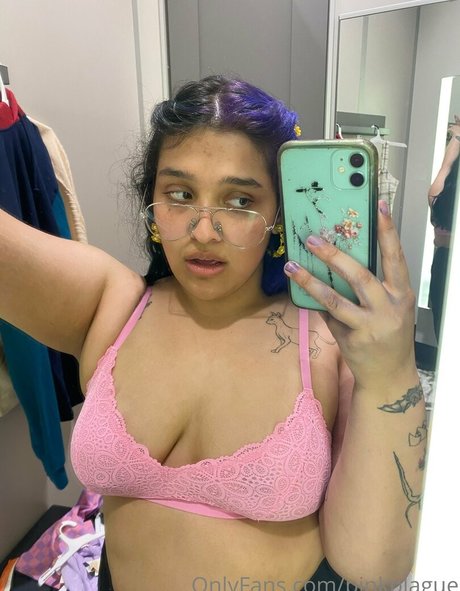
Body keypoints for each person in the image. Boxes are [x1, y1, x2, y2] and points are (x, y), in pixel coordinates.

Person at [0, 75, 425, 591]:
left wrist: (390, 375)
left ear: (278, 213)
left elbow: (373, 568)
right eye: (180, 194)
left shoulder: (333, 344)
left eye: (240, 201)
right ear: (151, 201)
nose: (203, 231)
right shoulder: (111, 304)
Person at [428, 116, 460, 342]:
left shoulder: (444, 192)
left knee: (445, 336)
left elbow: (445, 168)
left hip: (445, 263)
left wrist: (456, 138)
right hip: (444, 263)